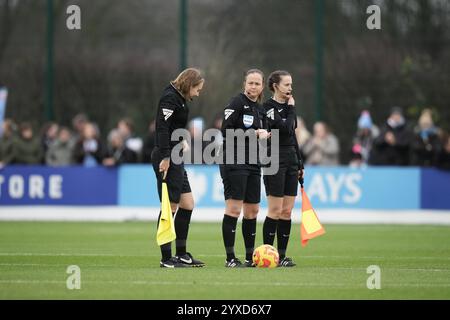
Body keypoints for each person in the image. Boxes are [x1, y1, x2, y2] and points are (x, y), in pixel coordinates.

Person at [151, 68, 206, 268]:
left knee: (187, 203)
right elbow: (162, 128)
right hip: (167, 157)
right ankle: (166, 258)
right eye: (197, 89)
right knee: (169, 206)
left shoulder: (179, 98)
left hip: (175, 155)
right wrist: (166, 157)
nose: (198, 93)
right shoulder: (169, 98)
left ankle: (182, 254)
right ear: (189, 85)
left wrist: (181, 140)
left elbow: (174, 127)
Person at [219, 69, 270, 268]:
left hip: (253, 162)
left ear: (262, 86)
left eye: (257, 84)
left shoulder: (260, 109)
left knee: (253, 211)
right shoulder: (236, 103)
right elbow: (226, 130)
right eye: (250, 83)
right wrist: (254, 133)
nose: (253, 87)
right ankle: (230, 258)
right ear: (244, 84)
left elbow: (260, 134)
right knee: (234, 209)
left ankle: (250, 258)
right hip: (234, 161)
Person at [262, 70, 304, 267]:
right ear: (276, 86)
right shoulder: (268, 107)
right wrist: (291, 109)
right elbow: (285, 128)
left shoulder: (288, 108)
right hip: (274, 158)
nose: (290, 88)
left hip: (291, 158)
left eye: (291, 84)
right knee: (275, 209)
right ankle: (266, 253)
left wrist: (300, 163)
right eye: (287, 84)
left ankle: (282, 255)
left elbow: (292, 136)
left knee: (287, 211)